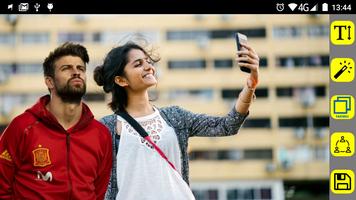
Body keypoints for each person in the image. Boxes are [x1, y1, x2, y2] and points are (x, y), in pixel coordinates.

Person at [94, 41, 259, 200]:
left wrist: (250, 85)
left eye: (148, 61)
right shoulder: (106, 127)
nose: (149, 67)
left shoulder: (176, 117)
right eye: (138, 64)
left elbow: (227, 125)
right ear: (121, 80)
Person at [0, 42, 113, 200]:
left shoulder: (101, 135)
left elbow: (98, 192)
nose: (76, 72)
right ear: (49, 81)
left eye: (80, 68)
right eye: (66, 68)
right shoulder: (22, 127)